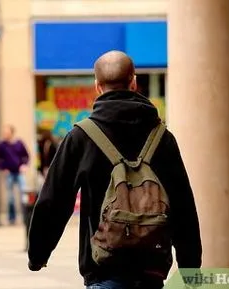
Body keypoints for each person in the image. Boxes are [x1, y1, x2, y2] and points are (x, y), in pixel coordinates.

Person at [27, 51, 202, 289]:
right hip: (152, 270)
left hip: (103, 270)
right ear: (134, 82)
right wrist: (190, 267)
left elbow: (54, 200)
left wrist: (38, 254)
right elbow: (183, 204)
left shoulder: (81, 137)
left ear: (97, 86)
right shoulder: (163, 138)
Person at [0, 125, 29, 225]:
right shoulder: (1, 145)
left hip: (19, 172)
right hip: (9, 173)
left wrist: (24, 165)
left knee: (24, 195)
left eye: (6, 132)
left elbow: (26, 156)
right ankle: (11, 218)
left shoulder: (19, 143)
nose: (5, 134)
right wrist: (3, 168)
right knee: (10, 197)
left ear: (11, 133)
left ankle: (25, 217)